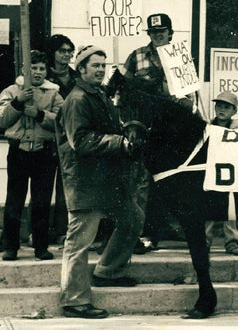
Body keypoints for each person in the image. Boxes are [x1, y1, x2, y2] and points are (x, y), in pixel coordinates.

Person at [56, 45, 143, 320]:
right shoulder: (77, 99)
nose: (101, 70)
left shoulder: (99, 95)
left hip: (107, 180)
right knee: (79, 241)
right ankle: (74, 301)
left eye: (103, 66)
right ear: (81, 69)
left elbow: (110, 128)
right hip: (86, 182)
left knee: (132, 218)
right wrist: (119, 142)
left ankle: (108, 271)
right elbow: (80, 141)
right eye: (95, 66)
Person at [0, 50, 63, 261]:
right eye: (33, 68)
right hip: (18, 150)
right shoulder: (10, 91)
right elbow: (2, 120)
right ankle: (10, 246)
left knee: (42, 201)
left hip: (44, 152)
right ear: (24, 70)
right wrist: (18, 103)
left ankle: (41, 246)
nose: (37, 72)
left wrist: (38, 113)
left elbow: (61, 122)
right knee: (14, 200)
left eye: (41, 68)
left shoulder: (54, 93)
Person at [124, 13, 174, 253]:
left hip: (172, 126)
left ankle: (169, 227)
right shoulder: (137, 56)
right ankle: (143, 231)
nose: (158, 35)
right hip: (145, 124)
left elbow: (191, 93)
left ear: (170, 32)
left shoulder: (180, 57)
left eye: (162, 31)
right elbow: (124, 87)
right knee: (143, 179)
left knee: (170, 177)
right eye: (154, 32)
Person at [45, 34, 78, 244]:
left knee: (66, 187)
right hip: (48, 138)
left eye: (69, 51)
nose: (66, 55)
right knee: (44, 186)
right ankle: (41, 232)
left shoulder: (76, 78)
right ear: (52, 53)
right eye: (62, 51)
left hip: (70, 139)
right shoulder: (44, 77)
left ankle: (61, 229)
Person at [204, 91, 238, 255]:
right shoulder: (206, 127)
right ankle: (204, 242)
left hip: (229, 174)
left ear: (234, 111)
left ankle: (232, 242)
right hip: (210, 173)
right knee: (207, 208)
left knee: (230, 209)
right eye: (219, 106)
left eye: (226, 107)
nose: (221, 109)